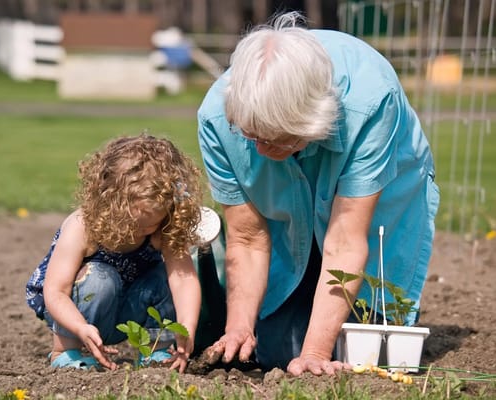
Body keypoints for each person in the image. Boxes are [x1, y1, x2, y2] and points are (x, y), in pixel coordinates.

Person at [196, 11, 440, 376]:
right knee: (278, 349)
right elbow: (247, 238)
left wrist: (315, 353)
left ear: (314, 122)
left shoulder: (371, 100)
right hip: (285, 214)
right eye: (252, 136)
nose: (260, 152)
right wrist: (239, 328)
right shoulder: (218, 118)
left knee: (368, 350)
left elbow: (345, 240)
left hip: (378, 211)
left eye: (275, 139)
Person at [26, 133, 203, 372]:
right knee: (101, 278)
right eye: (133, 222)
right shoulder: (83, 227)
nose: (142, 231)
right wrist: (79, 327)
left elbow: (183, 280)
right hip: (76, 312)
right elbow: (56, 291)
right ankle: (65, 350)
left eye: (150, 225)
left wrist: (187, 326)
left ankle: (154, 349)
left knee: (163, 275)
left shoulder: (162, 229)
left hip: (127, 305)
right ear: (109, 202)